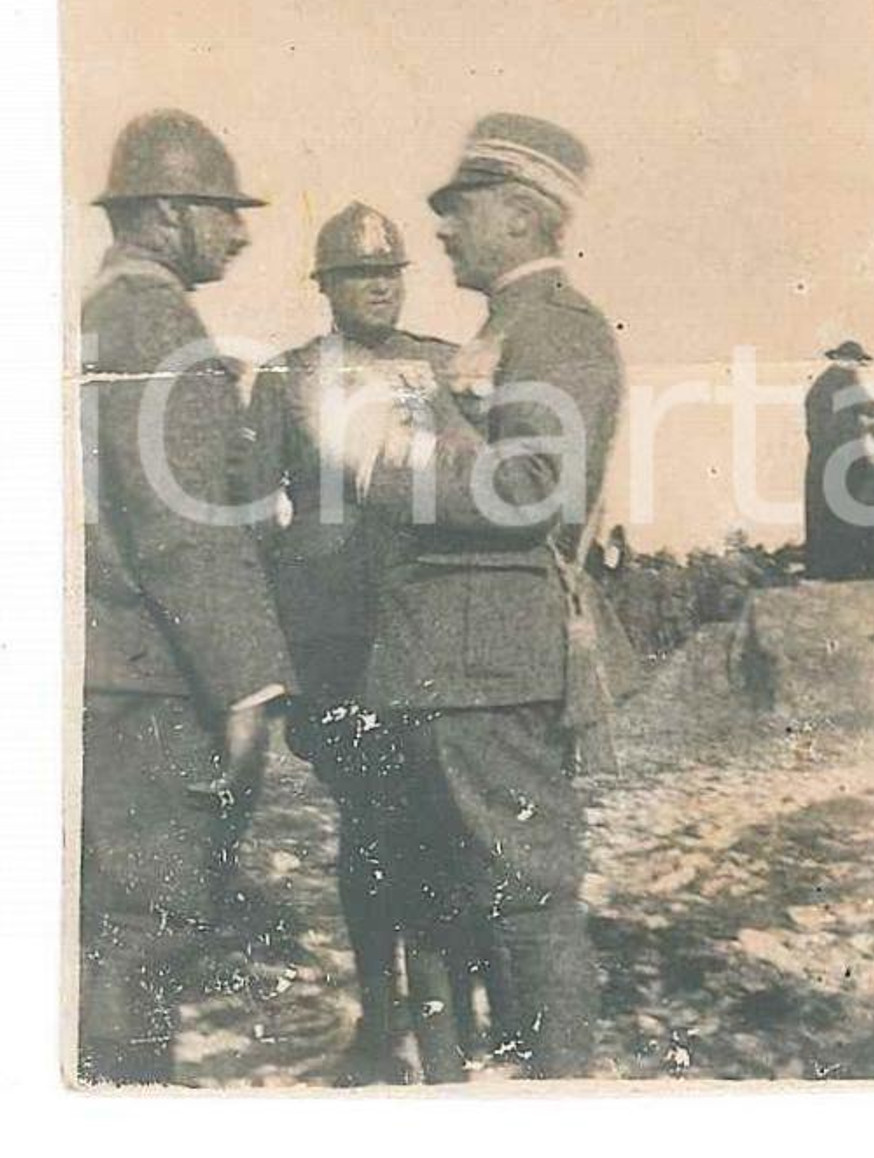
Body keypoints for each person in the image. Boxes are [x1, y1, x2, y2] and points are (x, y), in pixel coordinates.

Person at [335, 114, 639, 1080]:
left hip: (491, 665)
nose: (445, 231)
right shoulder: (508, 329)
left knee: (531, 904)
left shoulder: (560, 330)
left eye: (460, 209)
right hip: (443, 664)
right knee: (435, 896)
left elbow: (535, 488)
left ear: (519, 213)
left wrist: (389, 461)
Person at [78, 110, 297, 1085]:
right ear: (167, 211)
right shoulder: (157, 318)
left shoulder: (89, 309)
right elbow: (186, 527)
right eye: (223, 211)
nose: (240, 232)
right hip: (150, 673)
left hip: (92, 664)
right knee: (146, 923)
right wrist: (248, 681)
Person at [242, 201, 467, 1083]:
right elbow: (258, 513)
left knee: (448, 824)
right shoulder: (290, 376)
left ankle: (450, 1027)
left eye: (390, 271)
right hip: (339, 638)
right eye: (358, 274)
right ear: (326, 286)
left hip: (436, 624)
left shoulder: (445, 367)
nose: (379, 285)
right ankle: (381, 1021)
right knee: (371, 830)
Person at [804, 339, 874, 581]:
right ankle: (853, 567)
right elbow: (872, 408)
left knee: (827, 515)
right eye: (854, 362)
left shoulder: (822, 385)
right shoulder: (842, 380)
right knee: (854, 510)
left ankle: (830, 569)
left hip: (823, 460)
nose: (856, 367)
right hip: (844, 458)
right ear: (845, 360)